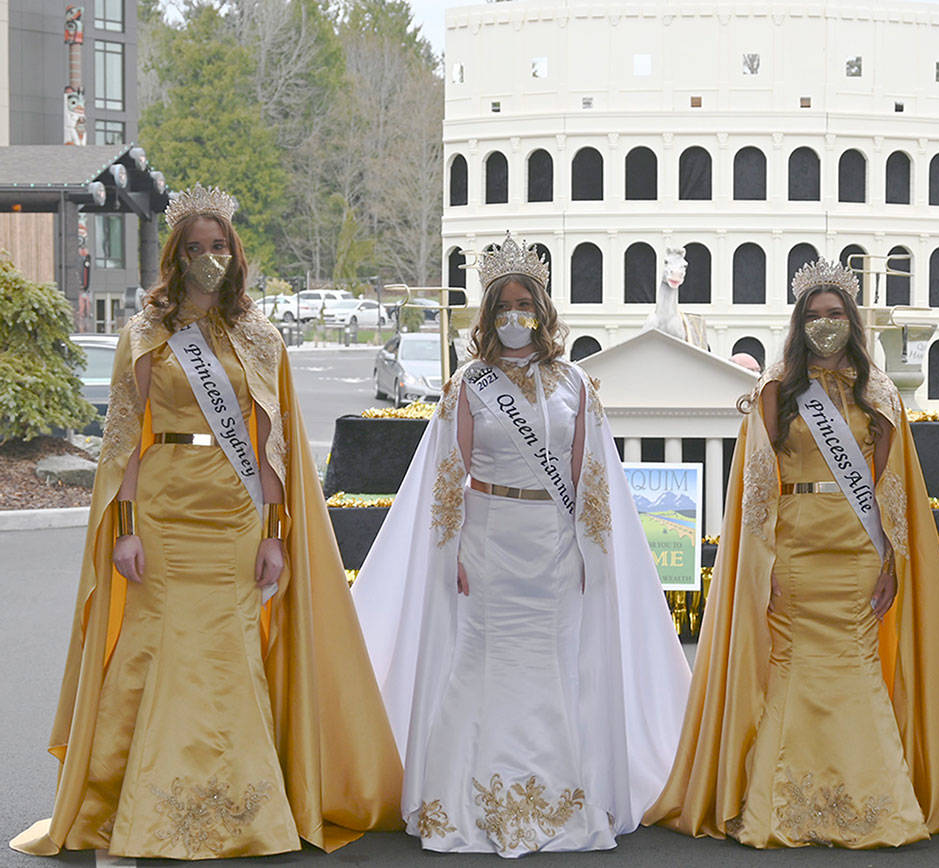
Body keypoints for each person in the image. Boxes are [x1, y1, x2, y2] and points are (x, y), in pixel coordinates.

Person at [10, 185, 403, 859]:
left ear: (235, 252)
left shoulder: (261, 336)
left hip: (235, 514)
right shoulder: (145, 334)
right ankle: (138, 807)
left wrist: (276, 536)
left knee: (232, 657)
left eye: (219, 245)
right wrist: (125, 527)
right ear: (176, 256)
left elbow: (273, 443)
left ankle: (241, 810)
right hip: (163, 510)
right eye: (195, 247)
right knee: (157, 651)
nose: (208, 257)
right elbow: (123, 439)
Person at [645, 258, 939, 848]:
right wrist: (760, 563)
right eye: (813, 315)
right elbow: (757, 486)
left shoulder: (878, 392)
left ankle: (871, 802)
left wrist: (890, 562)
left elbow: (891, 488)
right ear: (798, 323)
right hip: (794, 548)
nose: (825, 324)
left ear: (853, 321)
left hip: (858, 550)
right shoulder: (776, 390)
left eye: (835, 313)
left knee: (857, 667)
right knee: (793, 668)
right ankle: (786, 804)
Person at [350, 234, 691, 857]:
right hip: (487, 542)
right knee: (479, 664)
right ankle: (465, 800)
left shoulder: (575, 383)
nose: (514, 315)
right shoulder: (468, 384)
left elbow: (590, 477)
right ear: (488, 314)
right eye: (503, 305)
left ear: (541, 310)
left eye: (523, 304)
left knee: (553, 668)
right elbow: (449, 475)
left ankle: (559, 798)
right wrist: (450, 551)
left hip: (555, 547)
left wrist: (592, 553)